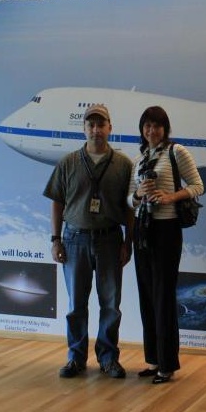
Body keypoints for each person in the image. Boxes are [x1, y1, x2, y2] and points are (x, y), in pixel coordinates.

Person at [43, 103, 134, 379]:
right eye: (91, 125)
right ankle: (76, 358)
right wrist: (56, 240)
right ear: (84, 129)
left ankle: (108, 358)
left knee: (110, 305)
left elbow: (131, 208)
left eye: (101, 124)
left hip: (109, 240)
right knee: (76, 305)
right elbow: (57, 202)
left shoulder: (123, 165)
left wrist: (127, 243)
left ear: (110, 128)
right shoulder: (68, 162)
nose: (96, 130)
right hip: (75, 240)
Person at [128, 105, 204, 384]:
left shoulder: (177, 152)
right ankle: (154, 359)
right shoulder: (140, 158)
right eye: (147, 125)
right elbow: (129, 199)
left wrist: (171, 197)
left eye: (157, 125)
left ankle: (168, 364)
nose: (151, 130)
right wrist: (138, 194)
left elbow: (198, 185)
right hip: (142, 229)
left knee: (163, 296)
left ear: (165, 128)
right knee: (147, 295)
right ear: (142, 129)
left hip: (166, 229)